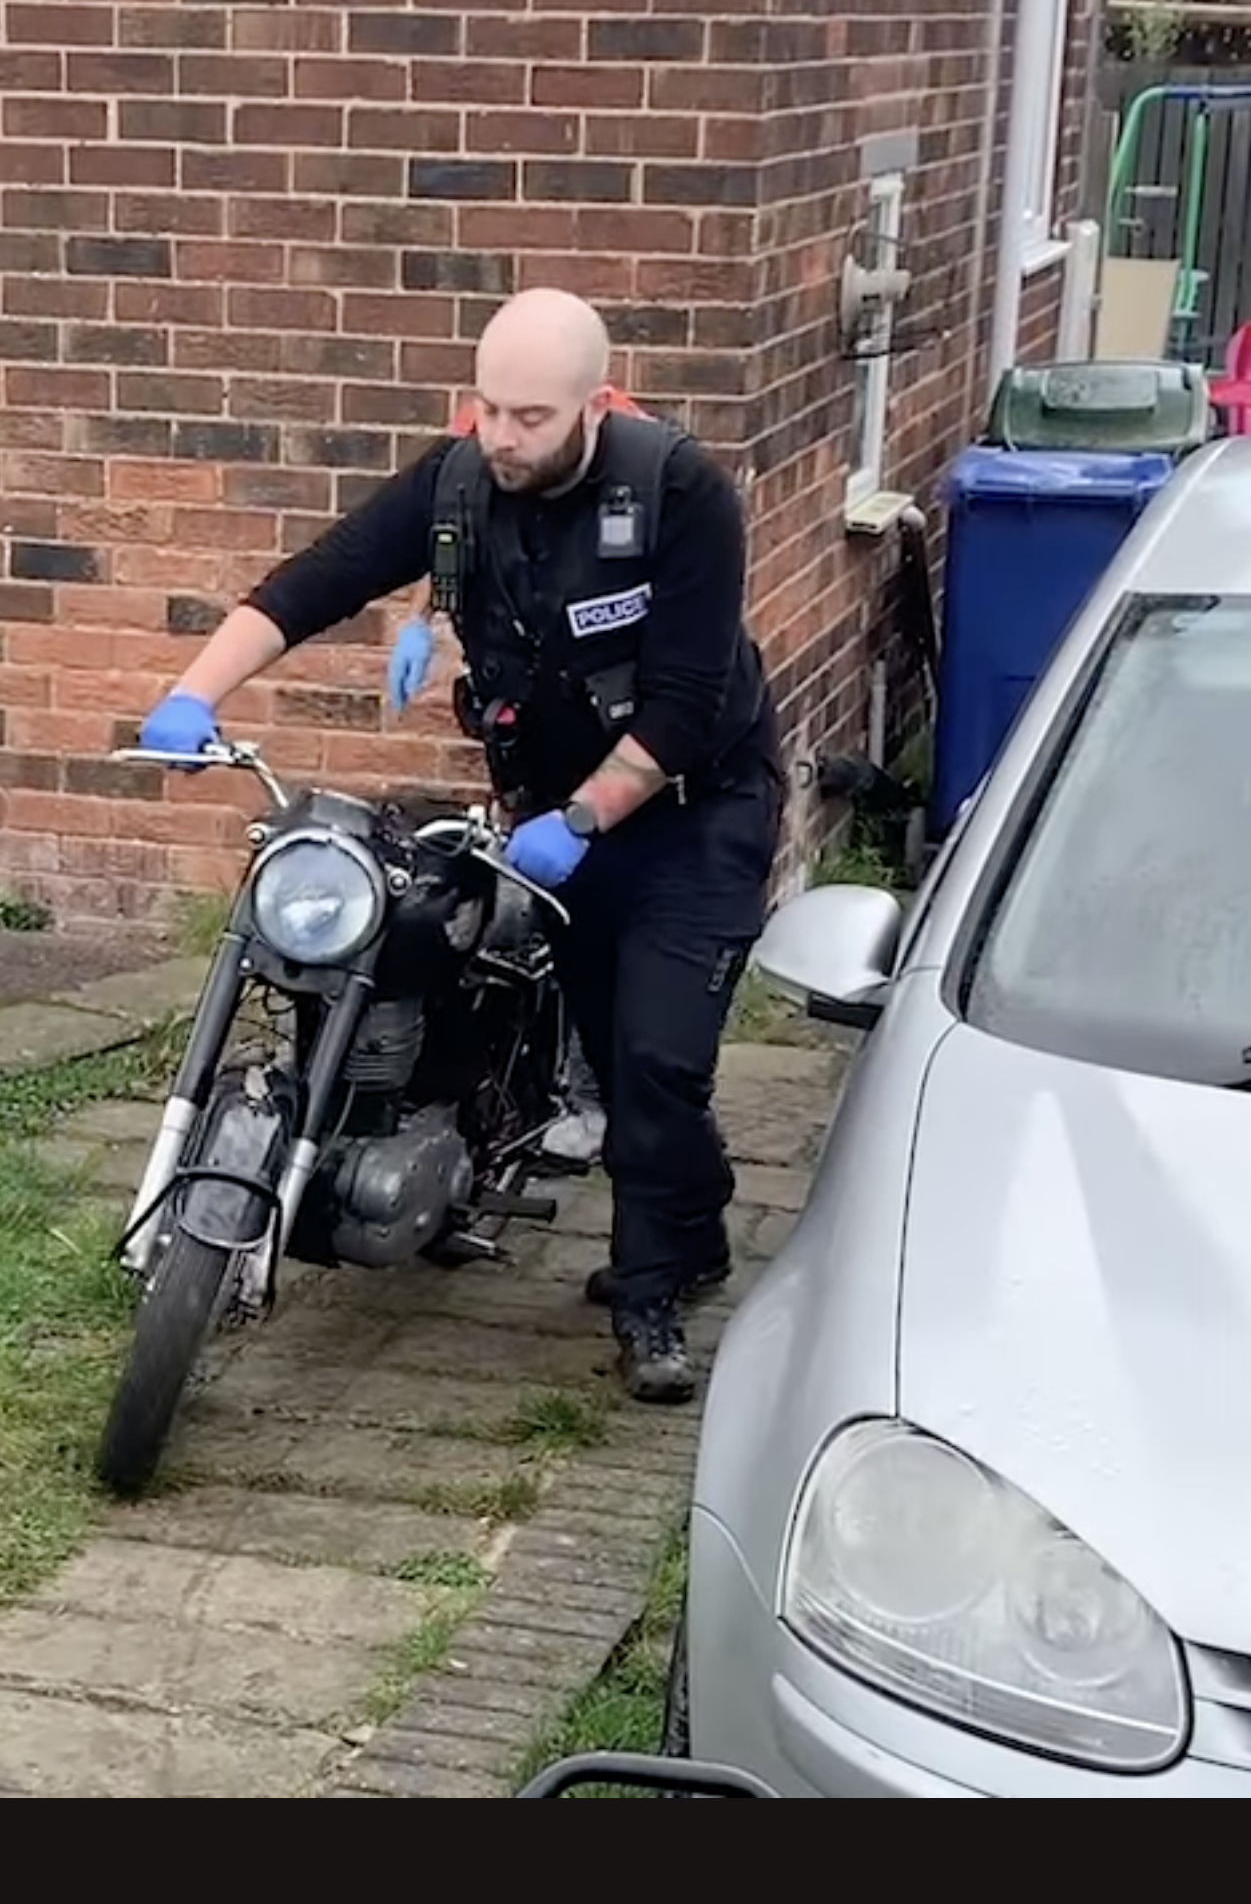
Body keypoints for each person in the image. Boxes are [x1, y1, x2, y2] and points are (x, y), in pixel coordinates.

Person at [133, 289, 785, 1403]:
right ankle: (683, 1210)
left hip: (691, 809)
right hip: (549, 814)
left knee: (656, 1060)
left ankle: (651, 1291)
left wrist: (584, 819)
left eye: (531, 415)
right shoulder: (459, 482)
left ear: (599, 403)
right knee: (601, 1045)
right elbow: (315, 581)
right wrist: (190, 695)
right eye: (487, 407)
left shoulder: (679, 492)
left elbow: (684, 699)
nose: (502, 435)